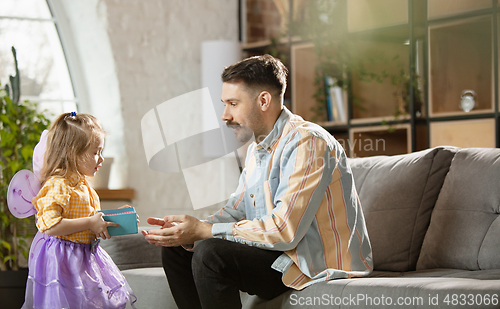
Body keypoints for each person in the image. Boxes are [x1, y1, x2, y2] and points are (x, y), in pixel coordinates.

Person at [143, 54, 373, 309]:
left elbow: (284, 231)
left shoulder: (308, 142)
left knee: (210, 253)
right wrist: (190, 229)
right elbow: (236, 210)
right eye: (224, 104)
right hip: (277, 255)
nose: (224, 115)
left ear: (263, 100)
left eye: (232, 103)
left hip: (309, 263)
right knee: (177, 250)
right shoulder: (257, 149)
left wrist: (205, 232)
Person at [23, 112, 137, 309]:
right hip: (63, 260)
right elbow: (50, 225)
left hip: (84, 256)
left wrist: (112, 217)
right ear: (71, 152)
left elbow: (90, 219)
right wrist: (90, 222)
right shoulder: (58, 184)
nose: (100, 159)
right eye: (95, 152)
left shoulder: (83, 186)